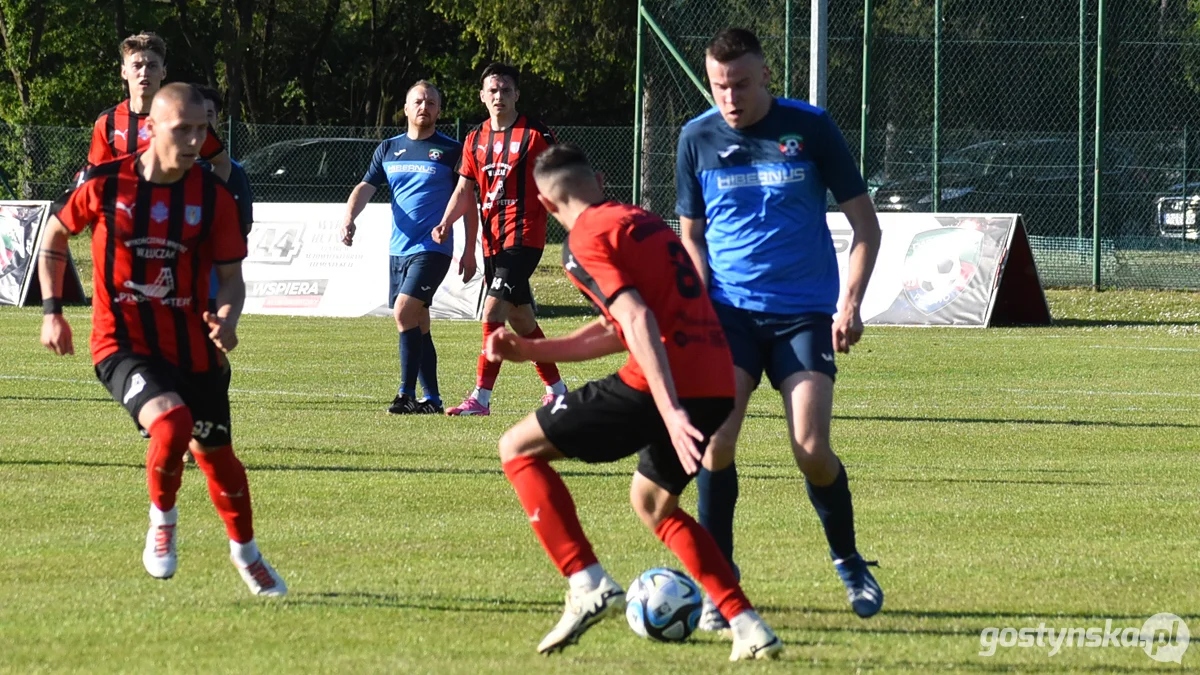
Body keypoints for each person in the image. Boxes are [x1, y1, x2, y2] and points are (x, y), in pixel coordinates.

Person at [486, 144, 782, 660]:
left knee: (516, 449)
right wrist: (531, 350)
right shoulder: (640, 221)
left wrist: (667, 409)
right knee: (652, 504)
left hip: (663, 385)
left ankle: (586, 583)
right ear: (598, 181)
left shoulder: (583, 240)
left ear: (545, 204)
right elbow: (614, 327)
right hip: (715, 383)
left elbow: (639, 321)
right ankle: (746, 624)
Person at [38, 83, 286, 596]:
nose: (195, 139)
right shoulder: (107, 183)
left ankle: (247, 555)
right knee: (171, 425)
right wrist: (52, 312)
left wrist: (227, 318)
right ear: (150, 128)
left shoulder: (212, 196)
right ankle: (162, 520)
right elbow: (54, 236)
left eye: (202, 129)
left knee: (220, 459)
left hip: (196, 348)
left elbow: (232, 278)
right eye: (183, 129)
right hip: (121, 344)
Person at [676, 28, 886, 632]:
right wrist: (697, 301)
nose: (731, 98)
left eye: (741, 84)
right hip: (729, 314)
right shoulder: (697, 137)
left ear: (766, 76)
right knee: (716, 444)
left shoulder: (812, 128)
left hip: (802, 314)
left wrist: (850, 303)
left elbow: (866, 228)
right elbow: (691, 233)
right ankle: (721, 586)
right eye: (720, 86)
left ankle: (848, 560)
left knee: (811, 449)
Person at [432, 62, 566, 416]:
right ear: (482, 96)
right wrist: (446, 222)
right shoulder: (475, 139)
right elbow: (465, 187)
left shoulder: (537, 135)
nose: (499, 96)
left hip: (524, 238)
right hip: (492, 242)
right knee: (522, 320)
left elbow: (561, 176)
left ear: (517, 95)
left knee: (491, 311)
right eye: (492, 90)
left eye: (506, 90)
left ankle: (481, 398)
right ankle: (558, 390)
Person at [340, 81, 469, 415]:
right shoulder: (388, 148)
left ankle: (406, 394)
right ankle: (433, 400)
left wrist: (469, 251)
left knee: (403, 311)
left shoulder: (453, 150)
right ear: (407, 108)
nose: (424, 106)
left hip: (433, 248)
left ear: (439, 110)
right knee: (419, 320)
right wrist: (349, 217)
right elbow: (366, 186)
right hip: (399, 249)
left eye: (431, 102)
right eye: (418, 101)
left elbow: (467, 197)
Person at [85, 32, 232, 182]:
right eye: (137, 66)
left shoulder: (186, 116)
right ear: (124, 72)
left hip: (171, 204)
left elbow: (223, 164)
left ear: (163, 72)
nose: (144, 73)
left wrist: (206, 200)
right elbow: (95, 176)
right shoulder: (107, 121)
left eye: (152, 66)